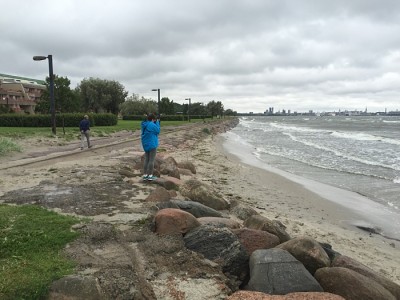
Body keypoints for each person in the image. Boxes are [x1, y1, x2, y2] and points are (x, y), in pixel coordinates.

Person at [141, 113, 160, 181]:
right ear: (152, 119)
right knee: (151, 160)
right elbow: (158, 131)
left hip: (145, 144)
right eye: (154, 119)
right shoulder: (152, 124)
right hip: (152, 144)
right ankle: (150, 175)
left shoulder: (144, 124)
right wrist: (157, 122)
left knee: (147, 159)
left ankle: (145, 175)